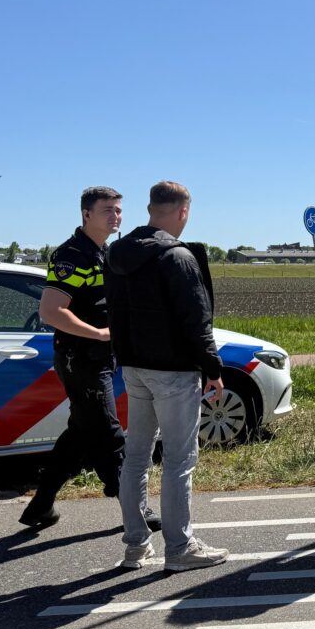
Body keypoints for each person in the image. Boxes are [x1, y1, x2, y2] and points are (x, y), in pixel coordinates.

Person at [19, 187, 160, 533]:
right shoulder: (72, 255)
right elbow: (51, 311)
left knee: (80, 433)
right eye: (107, 210)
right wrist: (98, 334)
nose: (116, 216)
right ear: (86, 214)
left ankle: (40, 505)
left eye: (119, 210)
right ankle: (135, 506)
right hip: (80, 360)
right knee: (110, 435)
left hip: (99, 358)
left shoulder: (104, 252)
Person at [106, 181, 228, 571]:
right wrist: (212, 368)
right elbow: (197, 320)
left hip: (134, 367)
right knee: (179, 460)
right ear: (182, 212)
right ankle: (180, 547)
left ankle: (136, 545)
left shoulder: (116, 254)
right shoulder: (177, 257)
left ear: (150, 208)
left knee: (137, 456)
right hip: (174, 371)